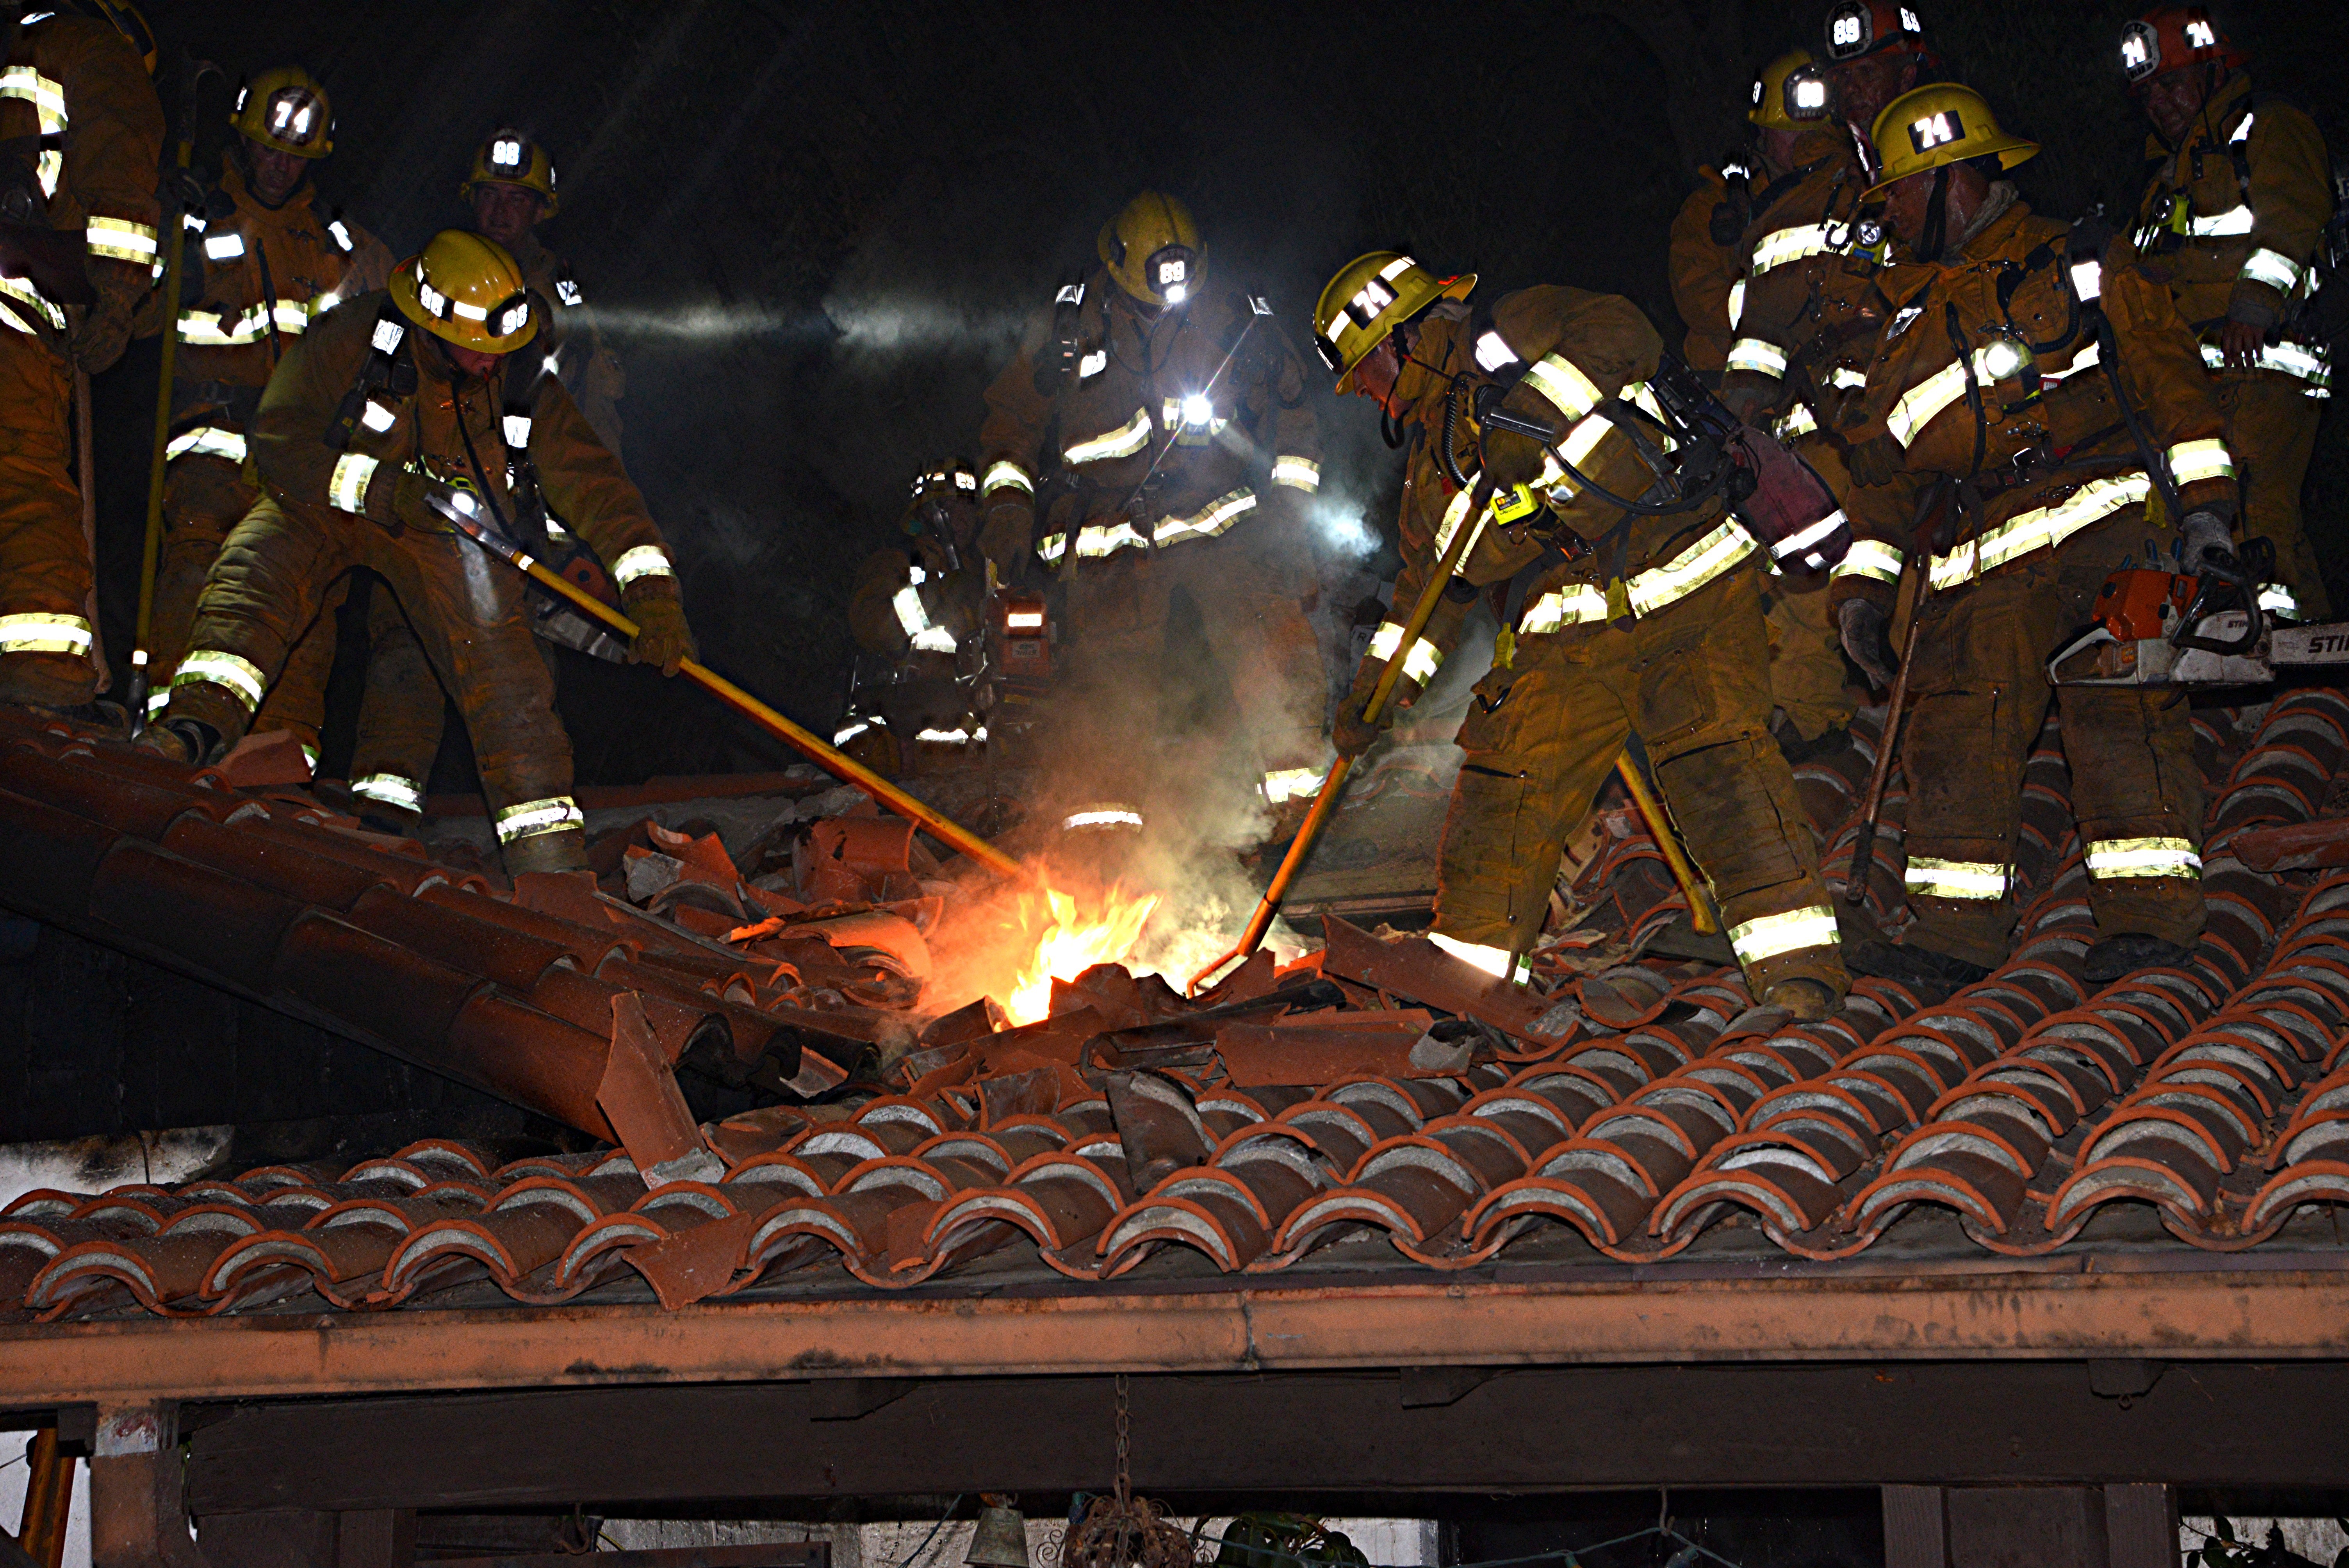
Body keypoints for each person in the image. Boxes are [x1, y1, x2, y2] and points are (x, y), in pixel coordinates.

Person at [1314, 251, 1849, 1018]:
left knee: (1720, 777)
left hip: (1685, 594)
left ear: (1403, 340)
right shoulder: (1433, 464)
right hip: (1569, 638)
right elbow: (1428, 592)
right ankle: (1471, 996)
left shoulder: (1505, 333)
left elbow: (1621, 330)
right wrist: (1376, 692)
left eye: (1367, 371)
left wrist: (1532, 412)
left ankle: (1797, 987)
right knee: (1503, 796)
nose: (1369, 393)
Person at [1830, 84, 2237, 987]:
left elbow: (2173, 382)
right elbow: (1885, 475)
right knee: (1955, 736)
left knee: (2124, 712)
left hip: (2118, 526)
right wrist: (1861, 591)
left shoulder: (2080, 257)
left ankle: (2148, 925)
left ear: (1949, 179)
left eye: (1898, 192)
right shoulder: (1899, 323)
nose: (1890, 214)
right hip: (1986, 553)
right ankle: (1952, 938)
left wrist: (2209, 514)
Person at [144, 231, 695, 877]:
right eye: (478, 350)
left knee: (508, 680)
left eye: (503, 350)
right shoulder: (355, 336)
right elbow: (280, 438)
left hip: (438, 538)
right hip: (329, 504)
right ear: (428, 327)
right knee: (257, 567)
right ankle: (194, 727)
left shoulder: (516, 377)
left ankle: (550, 867)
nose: (493, 365)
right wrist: (378, 487)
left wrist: (652, 588)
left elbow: (597, 487)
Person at [976, 192, 1329, 826]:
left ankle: (1303, 822)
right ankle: (1102, 848)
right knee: (1107, 701)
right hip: (1110, 542)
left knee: (1275, 655)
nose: (1167, 301)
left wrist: (1289, 517)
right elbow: (1010, 426)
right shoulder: (1067, 329)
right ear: (1115, 269)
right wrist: (1007, 512)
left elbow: (1295, 405)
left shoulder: (1228, 313)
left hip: (1220, 524)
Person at [342, 130, 633, 829]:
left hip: (518, 519)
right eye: (493, 197)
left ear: (542, 211)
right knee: (405, 645)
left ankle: (532, 833)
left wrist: (576, 534)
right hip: (429, 504)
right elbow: (381, 389)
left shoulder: (565, 300)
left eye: (519, 200)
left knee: (520, 675)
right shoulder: (430, 277)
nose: (503, 212)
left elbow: (592, 420)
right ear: (473, 200)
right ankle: (384, 808)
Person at [143, 64, 397, 763]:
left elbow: (397, 341)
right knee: (199, 554)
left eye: (297, 155)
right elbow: (129, 307)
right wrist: (166, 240)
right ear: (245, 144)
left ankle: (284, 755)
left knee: (309, 592)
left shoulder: (344, 249)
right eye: (270, 148)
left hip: (301, 455)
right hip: (214, 432)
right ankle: (174, 725)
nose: (280, 166)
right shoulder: (193, 219)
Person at [2121, 6, 2334, 616]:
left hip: (2270, 359)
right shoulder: (2167, 177)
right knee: (2222, 514)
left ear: (2214, 71)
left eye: (2170, 84)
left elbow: (2293, 217)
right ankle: (2272, 648)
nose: (2159, 104)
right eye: (2147, 95)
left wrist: (2255, 305)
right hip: (2203, 376)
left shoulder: (2269, 128)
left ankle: (2285, 649)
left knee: (2258, 508)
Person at [1716, 46, 1884, 754]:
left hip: (1838, 432)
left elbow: (1763, 340)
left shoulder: (1796, 210)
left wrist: (1731, 426)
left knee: (1805, 571)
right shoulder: (1866, 184)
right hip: (1856, 426)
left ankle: (1816, 729)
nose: (1768, 148)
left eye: (1770, 133)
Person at [0, 0, 162, 710]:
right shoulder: (94, 46)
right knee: (23, 484)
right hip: (11, 306)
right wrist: (116, 293)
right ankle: (46, 682)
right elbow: (120, 178)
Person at [838, 462, 994, 775]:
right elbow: (869, 626)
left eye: (967, 506)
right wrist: (935, 595)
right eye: (951, 505)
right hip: (894, 736)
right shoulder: (895, 563)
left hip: (961, 735)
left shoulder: (980, 573)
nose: (962, 517)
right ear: (927, 513)